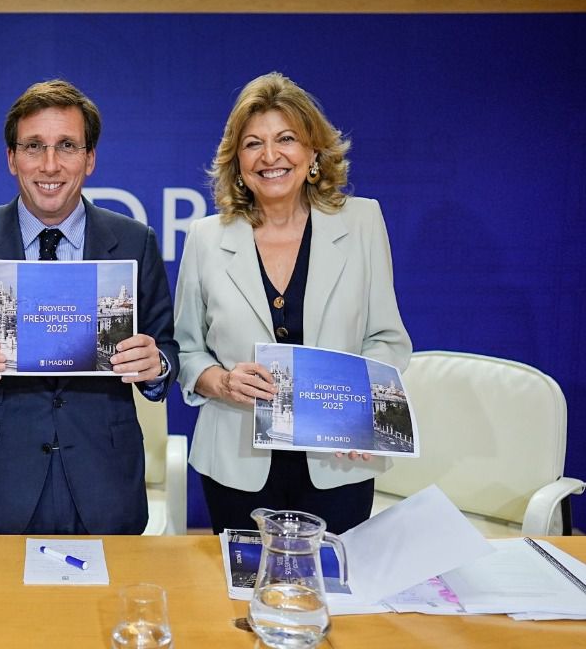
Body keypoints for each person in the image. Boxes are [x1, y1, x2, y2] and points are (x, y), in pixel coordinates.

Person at [0, 79, 179, 535]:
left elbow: (169, 350)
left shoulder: (135, 242)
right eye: (34, 146)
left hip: (105, 481)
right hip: (0, 483)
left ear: (90, 158)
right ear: (11, 158)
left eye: (67, 146)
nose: (50, 164)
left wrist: (154, 365)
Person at [174, 72, 411, 535]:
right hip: (236, 463)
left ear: (313, 153)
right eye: (252, 144)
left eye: (286, 139)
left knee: (333, 594)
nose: (270, 156)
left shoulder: (363, 222)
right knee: (243, 592)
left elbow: (386, 339)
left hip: (337, 462)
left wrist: (360, 412)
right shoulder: (205, 237)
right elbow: (184, 349)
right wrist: (220, 381)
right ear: (236, 160)